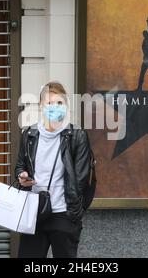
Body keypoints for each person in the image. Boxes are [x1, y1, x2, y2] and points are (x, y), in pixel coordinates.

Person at [15, 81, 92, 258]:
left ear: (66, 105)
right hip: (34, 213)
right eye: (50, 103)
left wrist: (75, 212)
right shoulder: (30, 135)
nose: (55, 107)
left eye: (60, 103)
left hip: (64, 214)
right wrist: (22, 175)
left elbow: (81, 179)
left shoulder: (77, 135)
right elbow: (20, 166)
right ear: (41, 105)